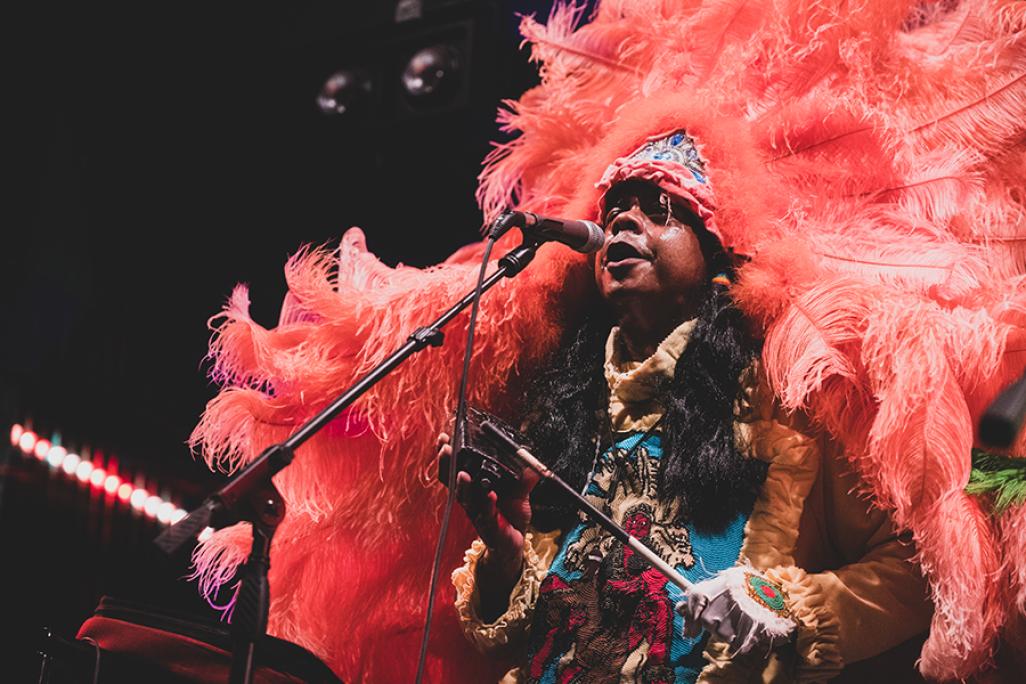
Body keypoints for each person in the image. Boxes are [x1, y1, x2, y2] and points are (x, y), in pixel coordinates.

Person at [444, 129, 934, 680]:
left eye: (661, 207)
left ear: (715, 252)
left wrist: (782, 608)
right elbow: (522, 637)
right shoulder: (564, 411)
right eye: (614, 211)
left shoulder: (787, 400)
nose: (624, 222)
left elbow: (916, 572)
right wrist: (506, 551)